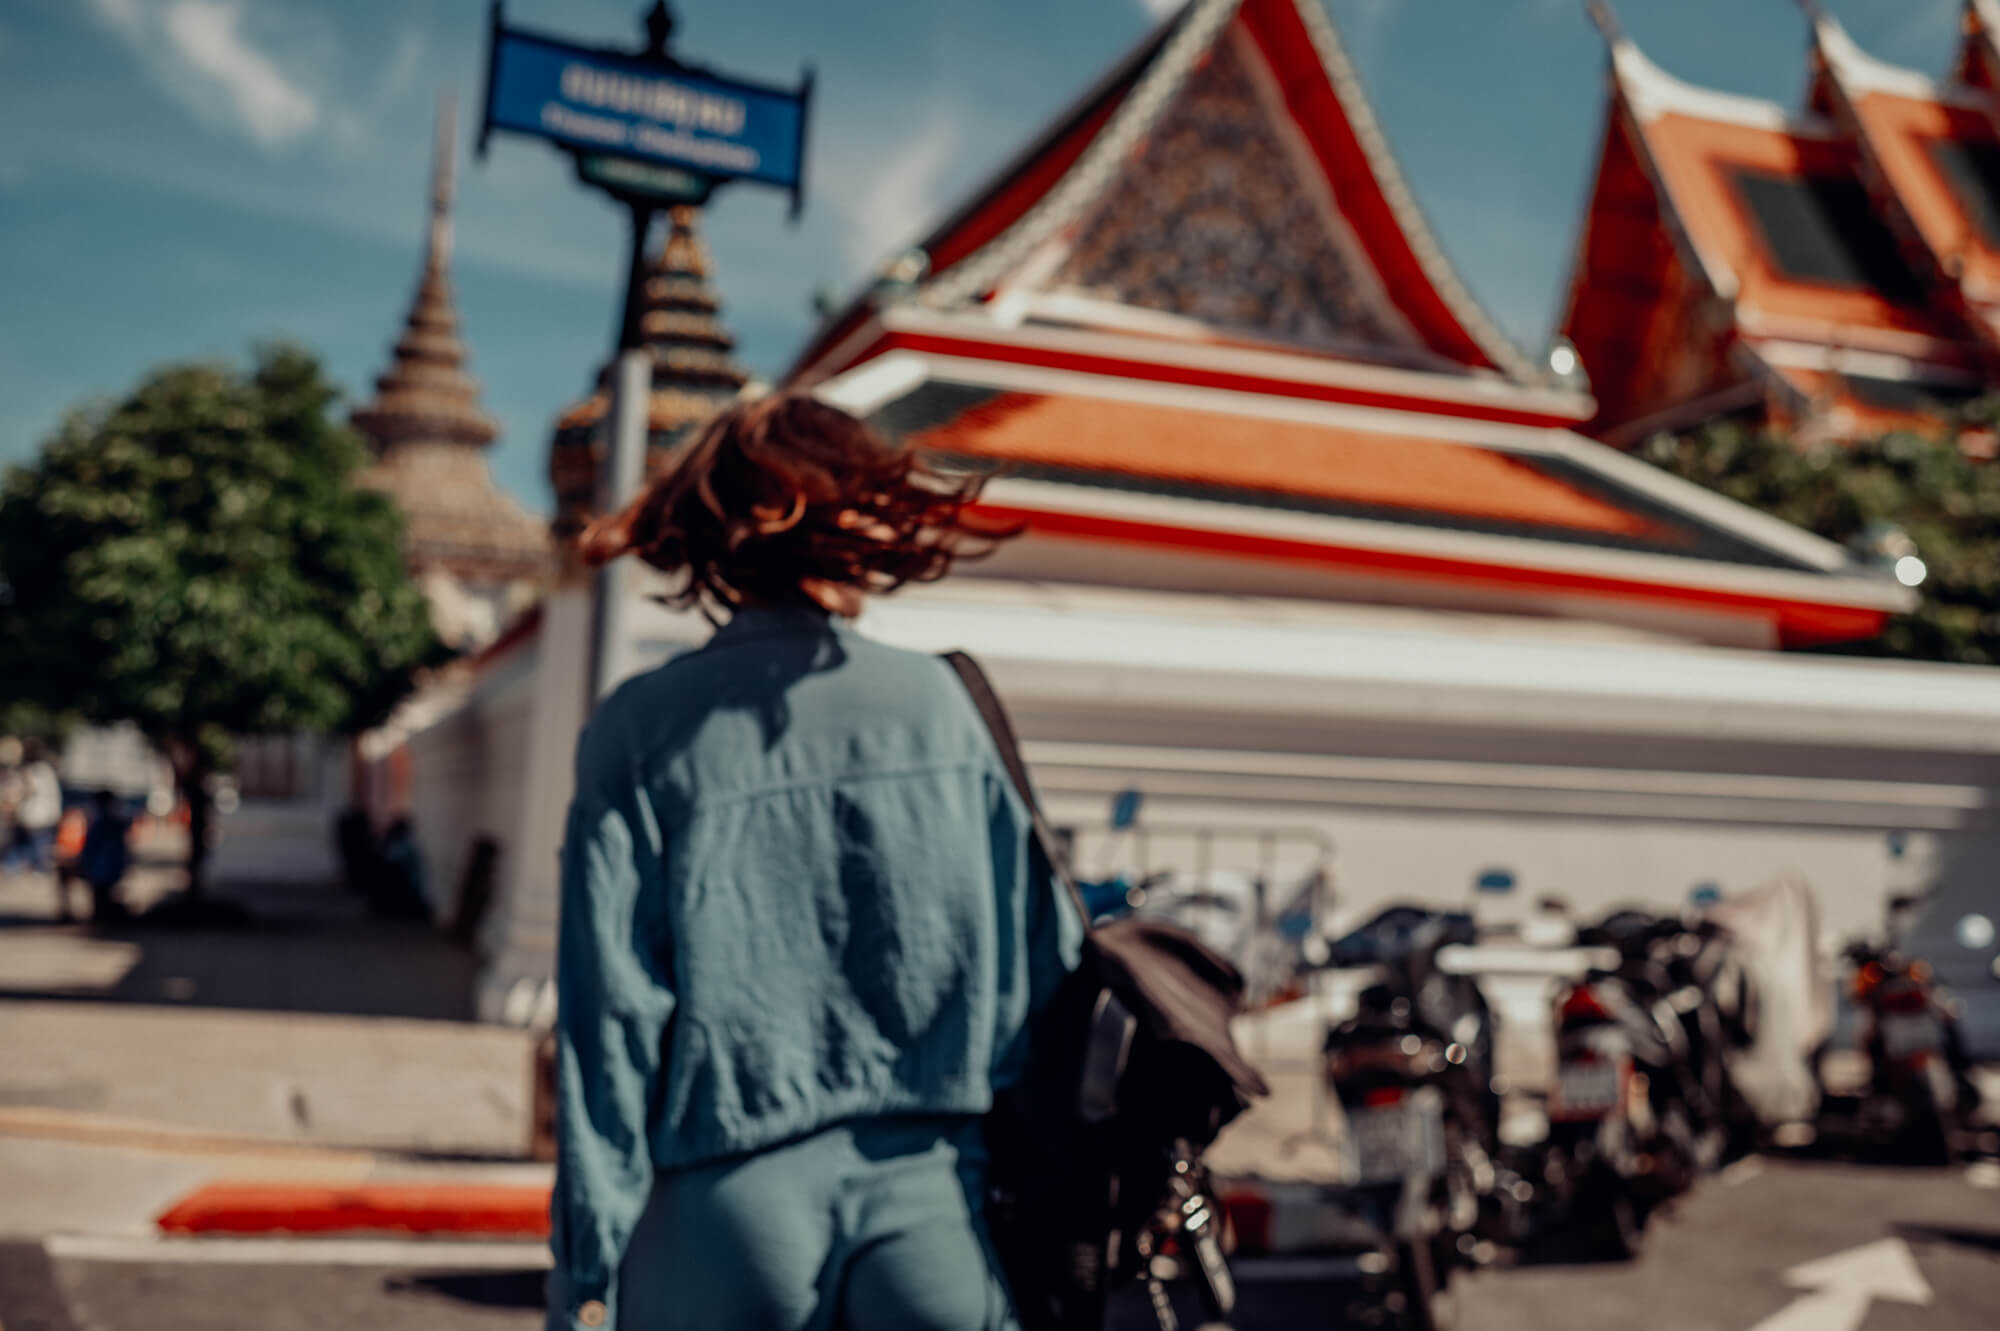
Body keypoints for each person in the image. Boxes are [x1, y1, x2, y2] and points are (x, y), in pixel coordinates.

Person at [546, 394, 1081, 1331]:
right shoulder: (945, 707)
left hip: (723, 1207)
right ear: (860, 513)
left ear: (710, 533)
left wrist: (586, 1264)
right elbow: (1046, 968)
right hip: (934, 1207)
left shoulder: (643, 726)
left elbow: (611, 1016)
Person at [6, 741, 62, 880]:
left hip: (36, 815)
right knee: (38, 844)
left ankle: (35, 868)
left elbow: (28, 790)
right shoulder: (46, 769)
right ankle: (35, 868)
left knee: (35, 844)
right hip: (46, 814)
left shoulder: (33, 771)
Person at [77, 790, 132, 921]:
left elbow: (90, 852)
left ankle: (102, 914)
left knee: (99, 889)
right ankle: (103, 912)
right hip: (108, 870)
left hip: (102, 871)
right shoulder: (114, 824)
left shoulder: (103, 824)